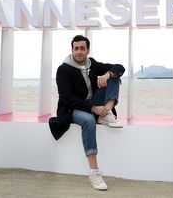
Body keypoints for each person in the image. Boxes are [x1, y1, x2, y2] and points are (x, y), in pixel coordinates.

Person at [49, 35, 125, 191]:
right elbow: (66, 98)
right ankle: (94, 172)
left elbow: (119, 67)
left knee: (114, 77)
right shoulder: (63, 69)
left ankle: (107, 112)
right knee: (89, 120)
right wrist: (93, 108)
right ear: (72, 50)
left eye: (82, 48)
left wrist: (107, 74)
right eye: (76, 48)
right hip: (73, 109)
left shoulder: (93, 64)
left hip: (96, 105)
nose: (79, 52)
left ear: (88, 50)